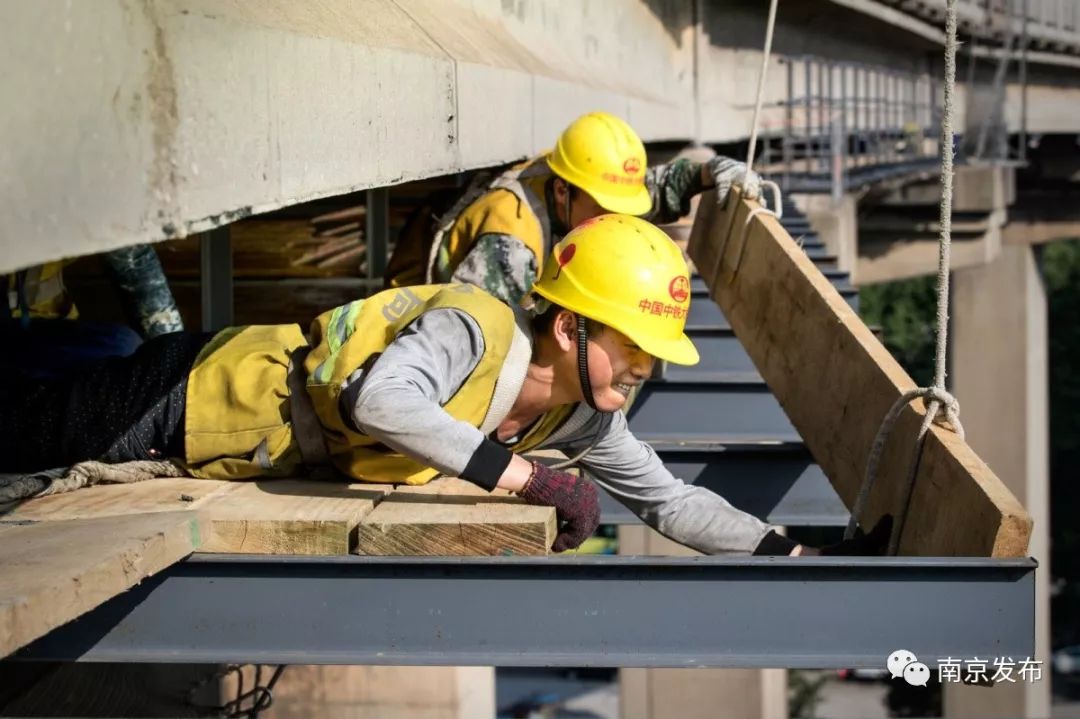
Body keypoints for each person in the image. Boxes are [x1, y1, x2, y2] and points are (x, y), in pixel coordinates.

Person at [1, 217, 883, 555]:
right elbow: (379, 400)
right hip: (192, 394)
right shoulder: (476, 325)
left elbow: (672, 503)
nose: (647, 369)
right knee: (20, 430)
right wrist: (523, 479)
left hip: (207, 450)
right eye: (634, 347)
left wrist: (789, 550)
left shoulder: (578, 421)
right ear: (571, 327)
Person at [383, 111, 760, 304]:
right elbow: (476, 343)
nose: (614, 220)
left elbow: (652, 189)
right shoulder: (510, 243)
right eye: (605, 209)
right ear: (563, 191)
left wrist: (710, 172)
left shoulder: (572, 178)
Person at [1, 244, 184, 378]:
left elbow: (134, 261)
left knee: (125, 350)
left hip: (43, 329)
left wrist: (174, 366)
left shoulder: (73, 195)